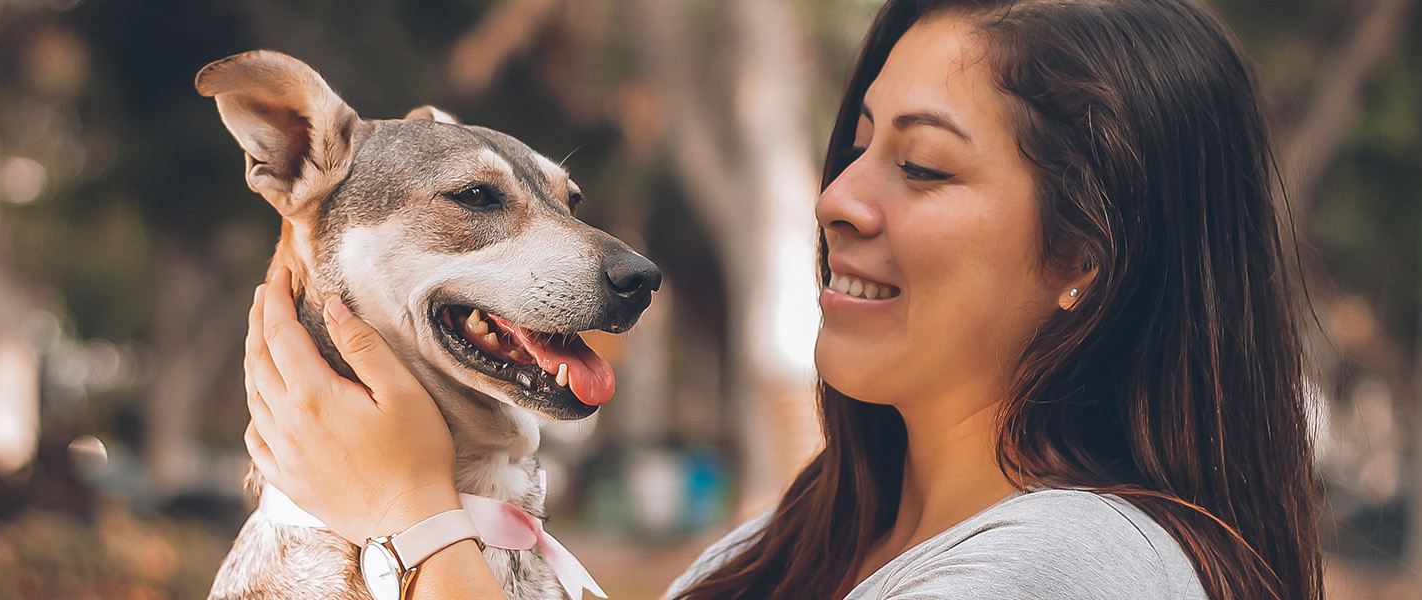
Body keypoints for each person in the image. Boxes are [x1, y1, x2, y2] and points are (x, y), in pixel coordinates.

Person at [240, 0, 1323, 598]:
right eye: (855, 146)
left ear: (1086, 253)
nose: (838, 198)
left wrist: (409, 520)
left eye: (924, 166)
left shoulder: (1077, 570)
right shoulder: (763, 559)